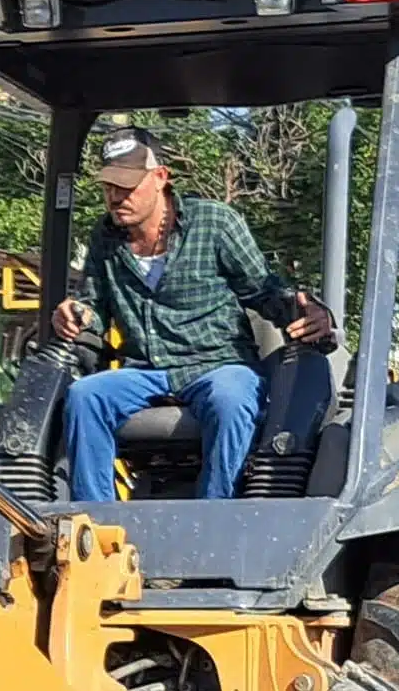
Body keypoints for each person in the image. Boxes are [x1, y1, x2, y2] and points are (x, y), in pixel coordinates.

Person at [54, 124, 333, 500]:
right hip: (147, 371)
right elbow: (94, 305)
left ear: (160, 178)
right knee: (86, 396)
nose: (116, 197)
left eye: (127, 186)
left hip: (217, 364)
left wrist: (307, 314)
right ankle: (96, 523)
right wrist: (78, 315)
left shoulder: (215, 223)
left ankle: (215, 517)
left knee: (231, 399)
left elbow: (265, 290)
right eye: (109, 187)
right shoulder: (104, 238)